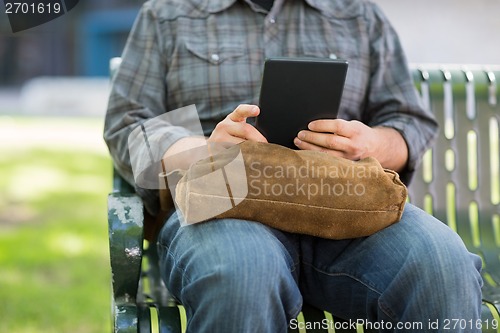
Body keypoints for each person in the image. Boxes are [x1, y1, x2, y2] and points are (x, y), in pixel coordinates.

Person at [104, 0, 483, 332]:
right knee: (240, 273)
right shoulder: (167, 13)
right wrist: (203, 149)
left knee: (441, 263)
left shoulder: (358, 14)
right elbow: (128, 125)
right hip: (223, 204)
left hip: (345, 206)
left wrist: (369, 143)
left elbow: (408, 123)